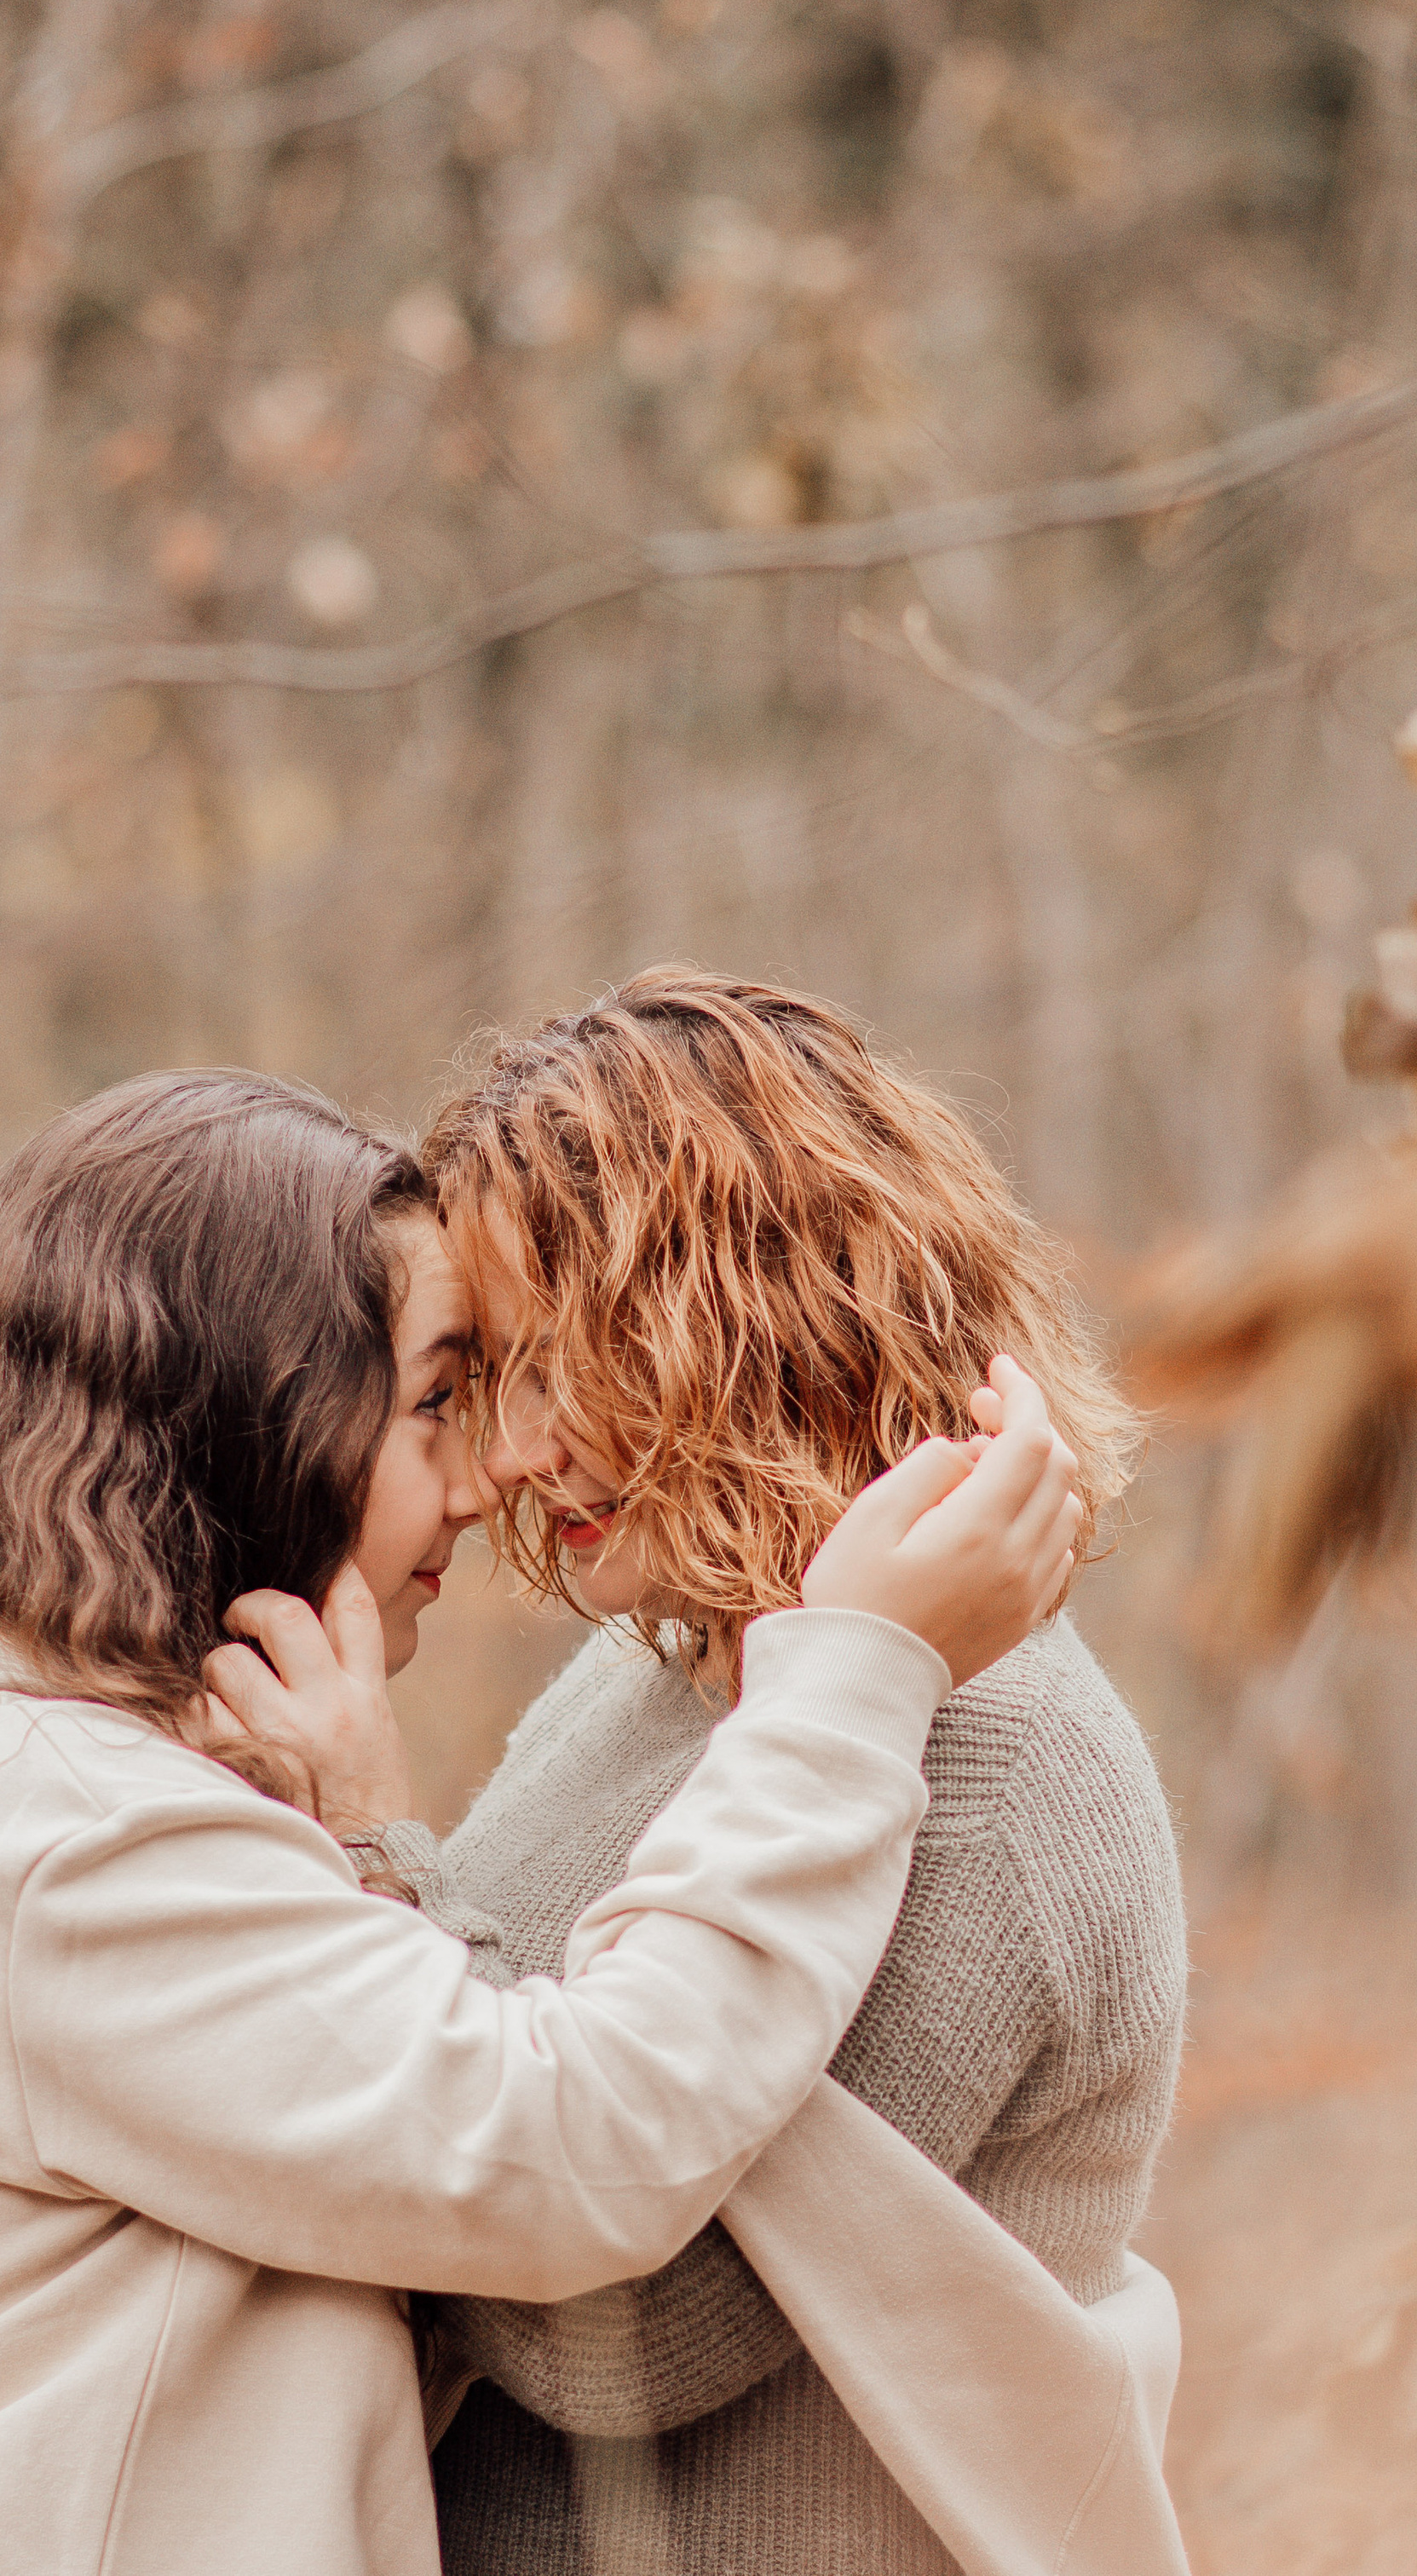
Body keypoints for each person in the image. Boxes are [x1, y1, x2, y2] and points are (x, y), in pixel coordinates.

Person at [0, 1066, 1081, 2576]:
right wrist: (857, 1677)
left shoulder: (5, 1785)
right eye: (436, 1402)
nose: (484, 1481)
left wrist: (355, 1845)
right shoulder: (52, 1836)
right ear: (250, 1422)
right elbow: (573, 2144)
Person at [388, 971, 1185, 2576]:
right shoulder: (658, 1667)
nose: (516, 1456)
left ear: (741, 1322)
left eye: (561, 1368)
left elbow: (609, 2326)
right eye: (490, 1384)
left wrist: (359, 1841)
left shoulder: (996, 1763)